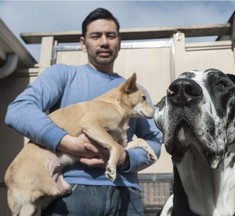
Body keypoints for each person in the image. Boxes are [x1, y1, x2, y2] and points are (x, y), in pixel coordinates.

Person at [5, 8, 162, 216]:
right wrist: (66, 141)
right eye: (96, 36)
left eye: (111, 35)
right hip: (72, 194)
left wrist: (124, 158)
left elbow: (154, 141)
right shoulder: (63, 75)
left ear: (119, 42)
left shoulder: (137, 92)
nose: (104, 42)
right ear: (82, 43)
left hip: (126, 193)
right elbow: (18, 110)